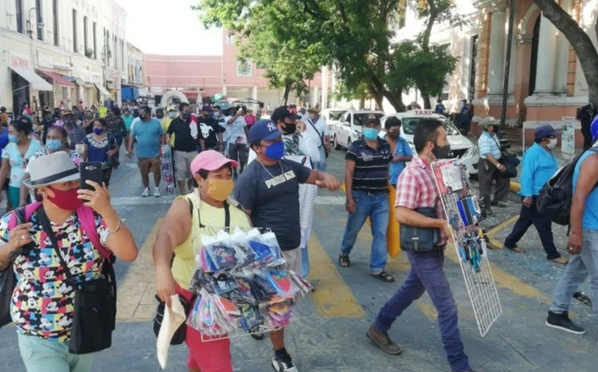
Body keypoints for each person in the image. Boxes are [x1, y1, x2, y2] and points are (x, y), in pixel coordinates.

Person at [0, 151, 137, 372]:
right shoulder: (17, 221)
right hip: (37, 333)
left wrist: (106, 210)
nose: (75, 187)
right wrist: (9, 247)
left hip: (84, 329)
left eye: (76, 181)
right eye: (66, 185)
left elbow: (129, 253)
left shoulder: (92, 218)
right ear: (43, 190)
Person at [367, 119, 475, 372]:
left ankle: (378, 327)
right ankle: (460, 365)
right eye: (444, 140)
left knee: (411, 289)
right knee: (447, 307)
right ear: (430, 145)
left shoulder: (437, 169)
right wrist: (439, 223)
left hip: (435, 247)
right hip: (421, 249)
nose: (447, 145)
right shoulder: (412, 174)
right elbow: (402, 214)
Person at [234, 119, 339, 372]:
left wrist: (327, 177)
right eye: (272, 143)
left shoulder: (288, 167)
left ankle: (255, 313)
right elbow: (243, 217)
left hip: (292, 246)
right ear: (257, 147)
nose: (278, 145)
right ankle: (279, 354)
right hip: (269, 254)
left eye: (279, 140)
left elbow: (314, 176)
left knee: (284, 299)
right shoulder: (250, 177)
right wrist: (255, 255)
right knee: (279, 304)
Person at [154, 150, 250, 372]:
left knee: (200, 356)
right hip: (196, 301)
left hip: (225, 300)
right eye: (218, 176)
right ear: (199, 178)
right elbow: (164, 238)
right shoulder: (186, 206)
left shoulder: (237, 210)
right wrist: (162, 270)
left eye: (228, 175)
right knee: (218, 364)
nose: (226, 181)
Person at [545, 117, 598, 335]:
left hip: (591, 228)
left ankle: (556, 313)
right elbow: (579, 198)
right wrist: (576, 233)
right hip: (589, 229)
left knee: (575, 272)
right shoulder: (593, 160)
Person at [338, 117, 394, 282]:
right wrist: (349, 198)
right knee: (353, 229)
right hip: (360, 196)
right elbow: (348, 172)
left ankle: (378, 268)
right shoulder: (355, 147)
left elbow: (387, 165)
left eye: (374, 125)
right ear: (363, 128)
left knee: (380, 233)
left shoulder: (385, 146)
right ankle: (344, 252)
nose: (371, 128)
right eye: (368, 126)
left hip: (382, 197)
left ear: (379, 127)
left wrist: (387, 182)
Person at [503, 125, 568, 264]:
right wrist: (527, 195)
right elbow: (526, 176)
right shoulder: (533, 153)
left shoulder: (547, 151)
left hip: (545, 193)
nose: (555, 139)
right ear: (544, 139)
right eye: (553, 137)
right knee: (544, 224)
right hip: (535, 195)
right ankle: (552, 254)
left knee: (525, 220)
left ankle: (510, 242)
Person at [21, 126, 83, 206]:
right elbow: (26, 178)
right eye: (48, 137)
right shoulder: (38, 156)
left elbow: (81, 178)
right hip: (42, 200)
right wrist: (22, 200)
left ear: (64, 140)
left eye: (55, 138)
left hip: (68, 199)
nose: (51, 140)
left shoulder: (74, 156)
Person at [0, 117, 43, 209]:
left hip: (35, 187)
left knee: (36, 213)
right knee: (19, 214)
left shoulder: (38, 145)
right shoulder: (9, 148)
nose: (9, 135)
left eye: (11, 132)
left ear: (21, 133)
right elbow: (4, 170)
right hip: (15, 186)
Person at [128, 106, 164, 197]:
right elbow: (132, 137)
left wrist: (162, 147)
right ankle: (146, 188)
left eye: (142, 113)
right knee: (143, 172)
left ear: (148, 113)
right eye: (139, 113)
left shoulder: (156, 123)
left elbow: (162, 135)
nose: (141, 115)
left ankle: (156, 188)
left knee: (156, 171)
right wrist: (129, 148)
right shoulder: (137, 124)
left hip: (155, 153)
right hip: (141, 153)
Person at [167, 103, 200, 194]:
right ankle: (182, 193)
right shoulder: (175, 122)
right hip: (179, 152)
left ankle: (190, 189)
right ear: (180, 111)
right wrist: (167, 142)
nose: (188, 112)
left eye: (189, 111)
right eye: (186, 111)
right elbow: (168, 133)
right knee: (180, 172)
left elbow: (199, 136)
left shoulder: (194, 121)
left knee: (192, 173)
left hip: (193, 151)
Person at [477, 121, 509, 216]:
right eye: (494, 125)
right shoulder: (484, 138)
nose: (497, 126)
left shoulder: (493, 135)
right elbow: (487, 154)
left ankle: (499, 200)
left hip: (496, 161)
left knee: (504, 178)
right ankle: (485, 208)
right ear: (489, 127)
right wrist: (498, 165)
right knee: (485, 185)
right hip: (488, 163)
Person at [82, 119, 119, 187]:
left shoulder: (109, 136)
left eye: (98, 125)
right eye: (94, 125)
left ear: (104, 127)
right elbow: (85, 152)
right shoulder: (88, 137)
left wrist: (113, 151)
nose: (96, 127)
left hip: (106, 167)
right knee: (94, 186)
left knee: (104, 186)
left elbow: (117, 147)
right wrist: (81, 164)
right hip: (92, 167)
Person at [384, 117, 413, 187]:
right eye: (393, 130)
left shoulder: (402, 142)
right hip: (384, 180)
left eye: (398, 129)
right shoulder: (380, 143)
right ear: (387, 129)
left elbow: (410, 157)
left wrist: (400, 158)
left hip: (400, 180)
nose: (396, 132)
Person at [224, 106, 248, 178]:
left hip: (242, 138)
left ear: (236, 110)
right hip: (232, 139)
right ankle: (234, 172)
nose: (232, 111)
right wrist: (237, 115)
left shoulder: (242, 118)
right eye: (230, 110)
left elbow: (245, 128)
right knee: (233, 157)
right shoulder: (227, 118)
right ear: (228, 112)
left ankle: (241, 169)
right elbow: (229, 122)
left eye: (233, 109)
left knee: (242, 155)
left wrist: (249, 137)